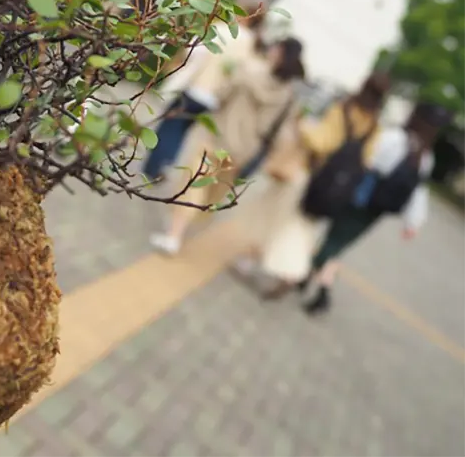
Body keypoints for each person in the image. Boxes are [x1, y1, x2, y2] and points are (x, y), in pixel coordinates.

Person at [231, 71, 391, 295]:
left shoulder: (343, 109)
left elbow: (322, 142)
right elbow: (366, 160)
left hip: (309, 175)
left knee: (275, 217)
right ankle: (288, 270)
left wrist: (303, 126)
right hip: (333, 189)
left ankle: (256, 262)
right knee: (300, 229)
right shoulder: (374, 126)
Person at [150, 36, 306, 256]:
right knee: (215, 192)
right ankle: (185, 226)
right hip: (243, 150)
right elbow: (279, 132)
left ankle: (174, 234)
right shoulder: (288, 97)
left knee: (193, 182)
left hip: (216, 136)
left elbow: (221, 94)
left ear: (279, 53)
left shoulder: (247, 72)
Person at [300, 100, 451, 315]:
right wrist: (414, 222)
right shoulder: (426, 156)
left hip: (357, 199)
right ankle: (309, 281)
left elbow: (367, 160)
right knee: (338, 244)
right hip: (377, 210)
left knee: (332, 243)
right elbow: (418, 192)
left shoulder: (395, 138)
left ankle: (316, 286)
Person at [140, 3, 269, 186]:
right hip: (214, 98)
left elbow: (193, 53)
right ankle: (166, 164)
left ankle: (153, 168)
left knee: (170, 127)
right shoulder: (251, 46)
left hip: (194, 88)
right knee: (182, 129)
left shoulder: (220, 30)